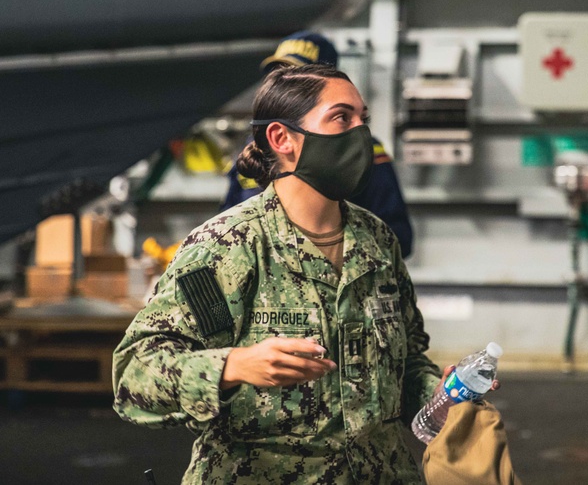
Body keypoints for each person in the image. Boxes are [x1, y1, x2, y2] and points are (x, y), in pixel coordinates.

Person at [113, 64, 441, 483]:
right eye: (341, 117)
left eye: (364, 119)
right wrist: (233, 366)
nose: (361, 134)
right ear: (281, 138)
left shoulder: (377, 240)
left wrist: (440, 394)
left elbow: (408, 358)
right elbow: (134, 375)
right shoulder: (227, 246)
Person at [222, 31, 415, 258]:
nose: (282, 84)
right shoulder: (254, 146)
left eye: (296, 75)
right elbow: (228, 214)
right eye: (278, 73)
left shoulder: (358, 149)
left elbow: (397, 237)